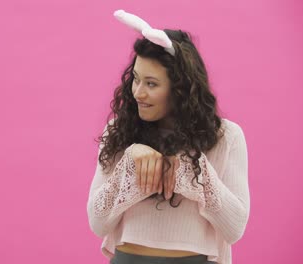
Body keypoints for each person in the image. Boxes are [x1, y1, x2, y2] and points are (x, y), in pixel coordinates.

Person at [86, 10, 250, 264]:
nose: (138, 92)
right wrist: (129, 164)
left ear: (181, 89)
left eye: (151, 84)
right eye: (136, 79)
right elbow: (97, 223)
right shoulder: (119, 131)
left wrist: (192, 170)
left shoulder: (226, 137)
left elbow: (235, 228)